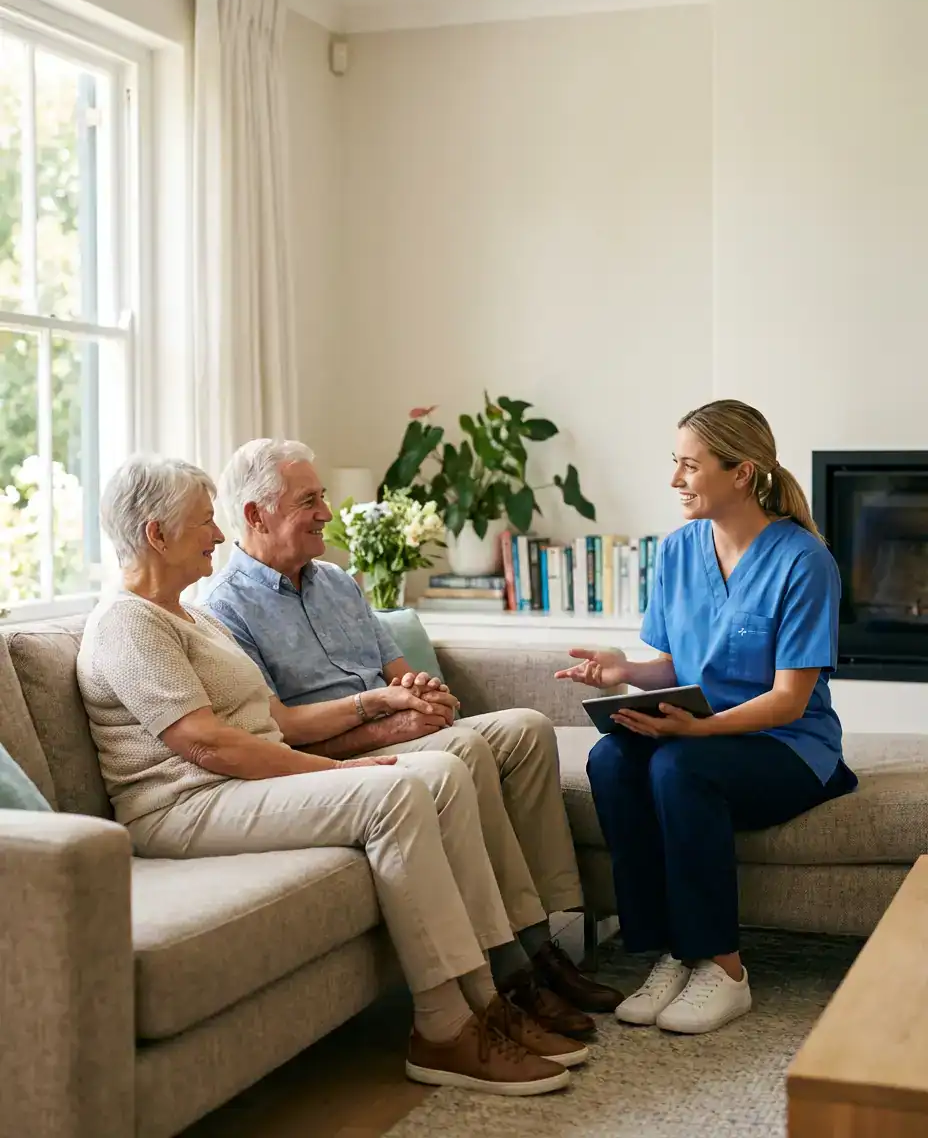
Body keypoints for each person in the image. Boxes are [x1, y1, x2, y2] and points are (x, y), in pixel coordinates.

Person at [77, 454, 588, 1097]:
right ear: (156, 534)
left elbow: (266, 719)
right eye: (205, 522)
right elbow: (207, 746)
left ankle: (490, 1001)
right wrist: (333, 769)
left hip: (241, 785)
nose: (216, 534)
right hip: (185, 804)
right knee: (400, 788)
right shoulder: (127, 620)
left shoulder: (189, 614)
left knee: (440, 773)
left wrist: (379, 718)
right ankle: (441, 1028)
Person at [202, 438, 621, 1038]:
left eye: (321, 497)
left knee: (526, 728)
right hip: (335, 754)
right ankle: (518, 966)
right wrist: (387, 718)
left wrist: (426, 692)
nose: (327, 512)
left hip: (399, 727)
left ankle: (552, 935)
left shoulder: (338, 583)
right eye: (309, 501)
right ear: (255, 515)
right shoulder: (223, 609)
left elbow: (399, 671)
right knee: (463, 749)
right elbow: (282, 729)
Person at [557, 400, 858, 1035]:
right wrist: (626, 674)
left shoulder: (804, 561)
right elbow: (673, 666)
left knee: (679, 766)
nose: (675, 481)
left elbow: (788, 701)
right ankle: (673, 950)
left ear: (742, 473)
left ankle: (724, 969)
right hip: (701, 738)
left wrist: (694, 731)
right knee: (611, 758)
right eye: (676, 464)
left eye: (689, 466)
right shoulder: (677, 550)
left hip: (787, 746)